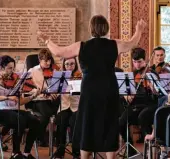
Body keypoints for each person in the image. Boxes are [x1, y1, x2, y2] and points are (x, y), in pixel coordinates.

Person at [37, 15, 146, 159]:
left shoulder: (81, 46)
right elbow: (132, 43)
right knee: (109, 123)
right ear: (106, 27)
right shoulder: (114, 44)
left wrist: (47, 40)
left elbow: (58, 51)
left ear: (91, 28)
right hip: (109, 88)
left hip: (90, 89)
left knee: (87, 122)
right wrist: (139, 30)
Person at [0, 55, 40, 159]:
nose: (12, 71)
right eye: (9, 68)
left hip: (14, 110)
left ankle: (26, 153)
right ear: (1, 68)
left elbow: (19, 102)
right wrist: (6, 96)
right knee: (19, 119)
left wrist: (33, 96)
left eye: (13, 68)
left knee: (35, 120)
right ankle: (15, 152)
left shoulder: (15, 81)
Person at [119, 48, 158, 156]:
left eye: (139, 62)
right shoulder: (132, 75)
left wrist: (153, 88)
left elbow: (157, 94)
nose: (137, 65)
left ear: (145, 60)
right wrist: (127, 96)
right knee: (121, 123)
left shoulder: (151, 73)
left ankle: (149, 150)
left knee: (143, 117)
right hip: (136, 106)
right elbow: (126, 91)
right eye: (134, 62)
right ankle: (130, 148)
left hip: (149, 105)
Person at [28, 48, 60, 146]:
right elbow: (27, 89)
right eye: (46, 60)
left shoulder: (55, 71)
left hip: (51, 100)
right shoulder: (32, 71)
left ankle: (57, 139)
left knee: (61, 112)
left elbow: (60, 87)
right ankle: (41, 137)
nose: (48, 63)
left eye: (50, 60)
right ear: (39, 60)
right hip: (37, 100)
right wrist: (40, 91)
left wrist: (55, 93)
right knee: (46, 115)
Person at [54, 57, 81, 159]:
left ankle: (76, 152)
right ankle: (60, 150)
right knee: (62, 119)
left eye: (72, 64)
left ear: (75, 65)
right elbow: (55, 90)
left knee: (75, 121)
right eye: (67, 64)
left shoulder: (80, 76)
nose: (70, 66)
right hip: (64, 106)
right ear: (64, 65)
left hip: (76, 107)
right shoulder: (60, 77)